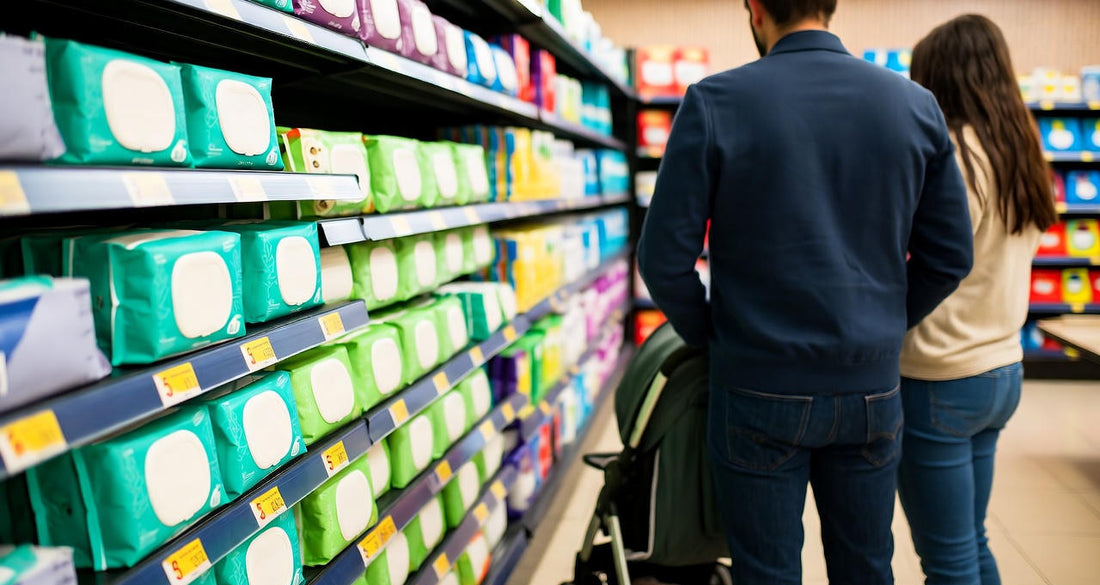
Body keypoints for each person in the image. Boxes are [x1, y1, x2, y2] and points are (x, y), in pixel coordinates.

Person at [636, 0, 976, 582]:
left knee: (766, 570)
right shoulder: (914, 106)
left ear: (756, 8)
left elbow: (663, 258)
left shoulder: (715, 101)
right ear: (831, 4)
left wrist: (715, 334)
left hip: (755, 383)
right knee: (867, 564)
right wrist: (886, 323)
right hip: (869, 386)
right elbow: (950, 257)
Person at [898, 15, 1058, 585]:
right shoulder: (1018, 147)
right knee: (970, 541)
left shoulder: (956, 156)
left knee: (947, 560)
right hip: (999, 369)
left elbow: (938, 257)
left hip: (941, 376)